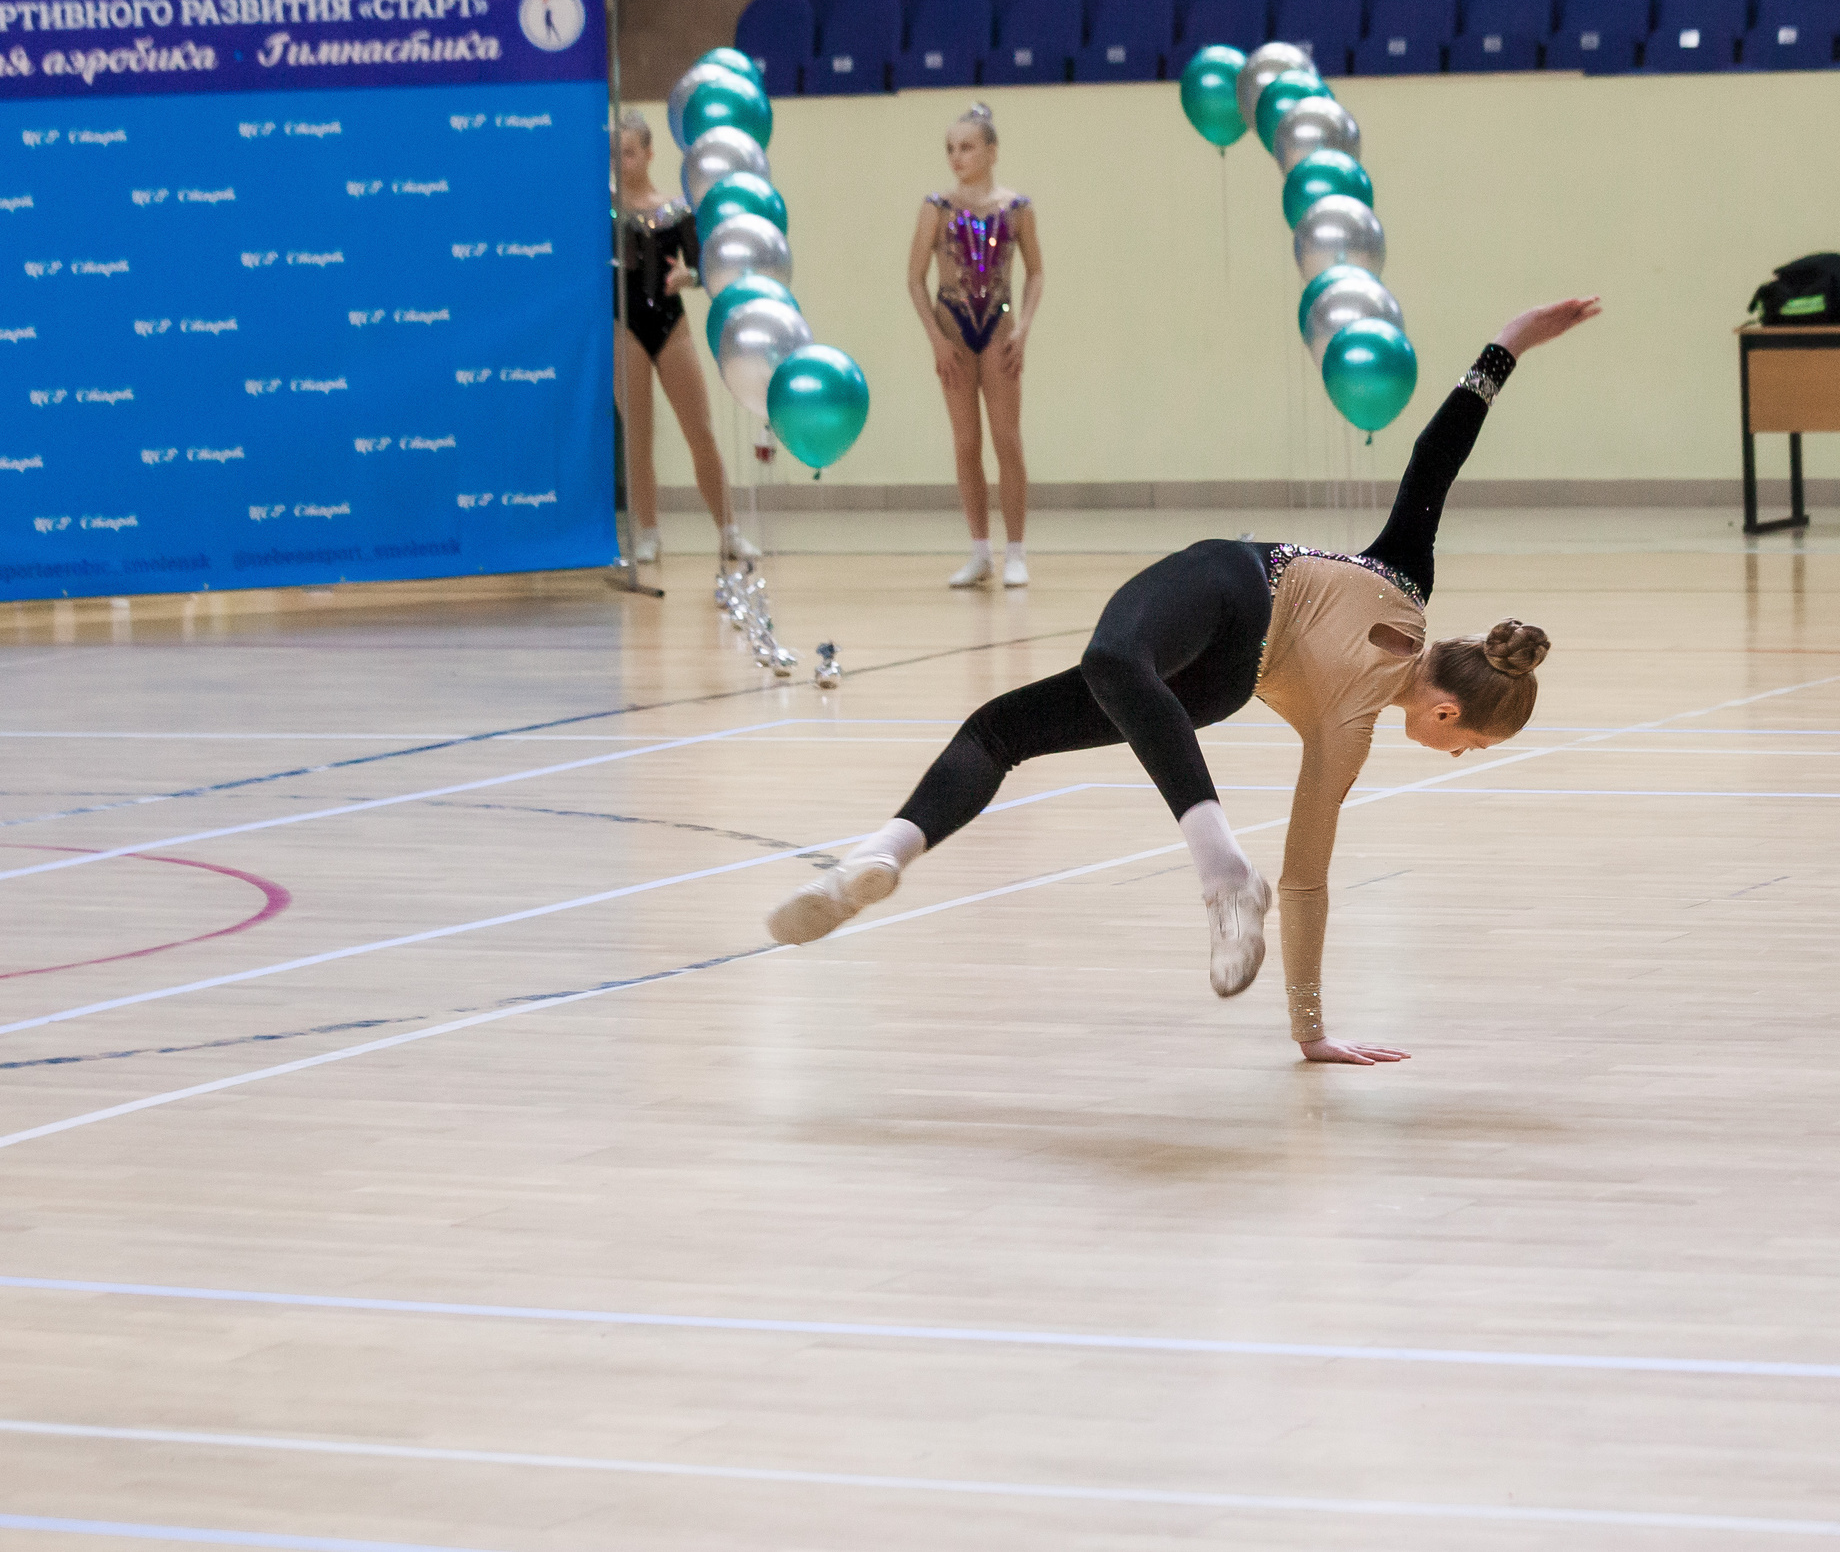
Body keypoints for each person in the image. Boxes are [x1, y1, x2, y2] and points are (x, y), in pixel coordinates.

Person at [768, 297, 1604, 1064]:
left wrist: (1511, 341)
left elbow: (1437, 454)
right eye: (1469, 744)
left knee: (1104, 667)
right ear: (1449, 708)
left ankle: (1222, 875)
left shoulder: (1407, 581)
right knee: (1004, 726)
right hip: (1224, 671)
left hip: (1229, 591)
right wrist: (1310, 1031)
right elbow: (1308, 882)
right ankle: (874, 860)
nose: (1455, 756)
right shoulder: (1344, 735)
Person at [906, 103, 1045, 589]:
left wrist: (1024, 328)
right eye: (950, 148)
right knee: (966, 442)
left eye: (966, 147)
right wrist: (936, 340)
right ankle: (979, 550)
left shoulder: (1017, 207)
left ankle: (1017, 551)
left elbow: (1036, 272)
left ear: (991, 150)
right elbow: (914, 278)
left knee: (1007, 439)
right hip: (954, 328)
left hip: (1000, 329)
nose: (956, 156)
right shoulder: (936, 207)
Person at [613, 112, 757, 565]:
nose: (621, 160)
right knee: (638, 435)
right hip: (624, 327)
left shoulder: (675, 209)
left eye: (630, 152)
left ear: (650, 153)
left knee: (700, 430)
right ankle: (649, 531)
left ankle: (729, 530)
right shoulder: (602, 210)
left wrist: (688, 276)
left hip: (670, 327)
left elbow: (704, 269)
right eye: (614, 153)